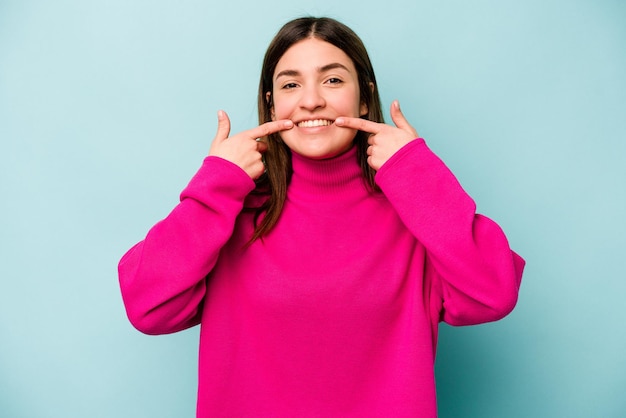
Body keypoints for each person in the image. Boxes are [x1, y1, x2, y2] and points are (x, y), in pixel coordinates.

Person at [118, 16, 525, 417]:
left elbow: (493, 294)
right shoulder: (231, 212)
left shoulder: (415, 214)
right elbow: (148, 308)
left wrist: (415, 172)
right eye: (291, 84)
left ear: (364, 97)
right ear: (270, 103)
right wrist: (217, 183)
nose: (311, 100)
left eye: (332, 80)